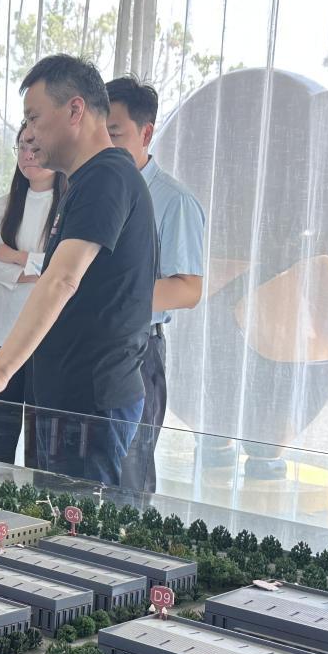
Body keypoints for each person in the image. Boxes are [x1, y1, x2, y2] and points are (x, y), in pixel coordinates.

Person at [0, 55, 157, 488]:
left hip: (91, 402)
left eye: (34, 117)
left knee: (75, 523)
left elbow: (61, 278)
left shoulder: (107, 176)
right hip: (70, 396)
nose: (30, 133)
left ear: (75, 110)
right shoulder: (87, 180)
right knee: (51, 514)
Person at [105, 76, 205, 494]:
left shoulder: (173, 200)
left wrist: (111, 299)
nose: (104, 145)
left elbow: (188, 288)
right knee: (83, 478)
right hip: (87, 348)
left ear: (146, 134)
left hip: (136, 349)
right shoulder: (91, 190)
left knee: (129, 476)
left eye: (115, 134)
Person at [0, 124, 66, 465]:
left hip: (47, 339)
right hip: (1, 334)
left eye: (36, 146)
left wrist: (15, 256)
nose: (28, 155)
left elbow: (63, 269)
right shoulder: (4, 205)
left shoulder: (68, 206)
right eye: (22, 147)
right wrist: (31, 271)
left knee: (42, 445)